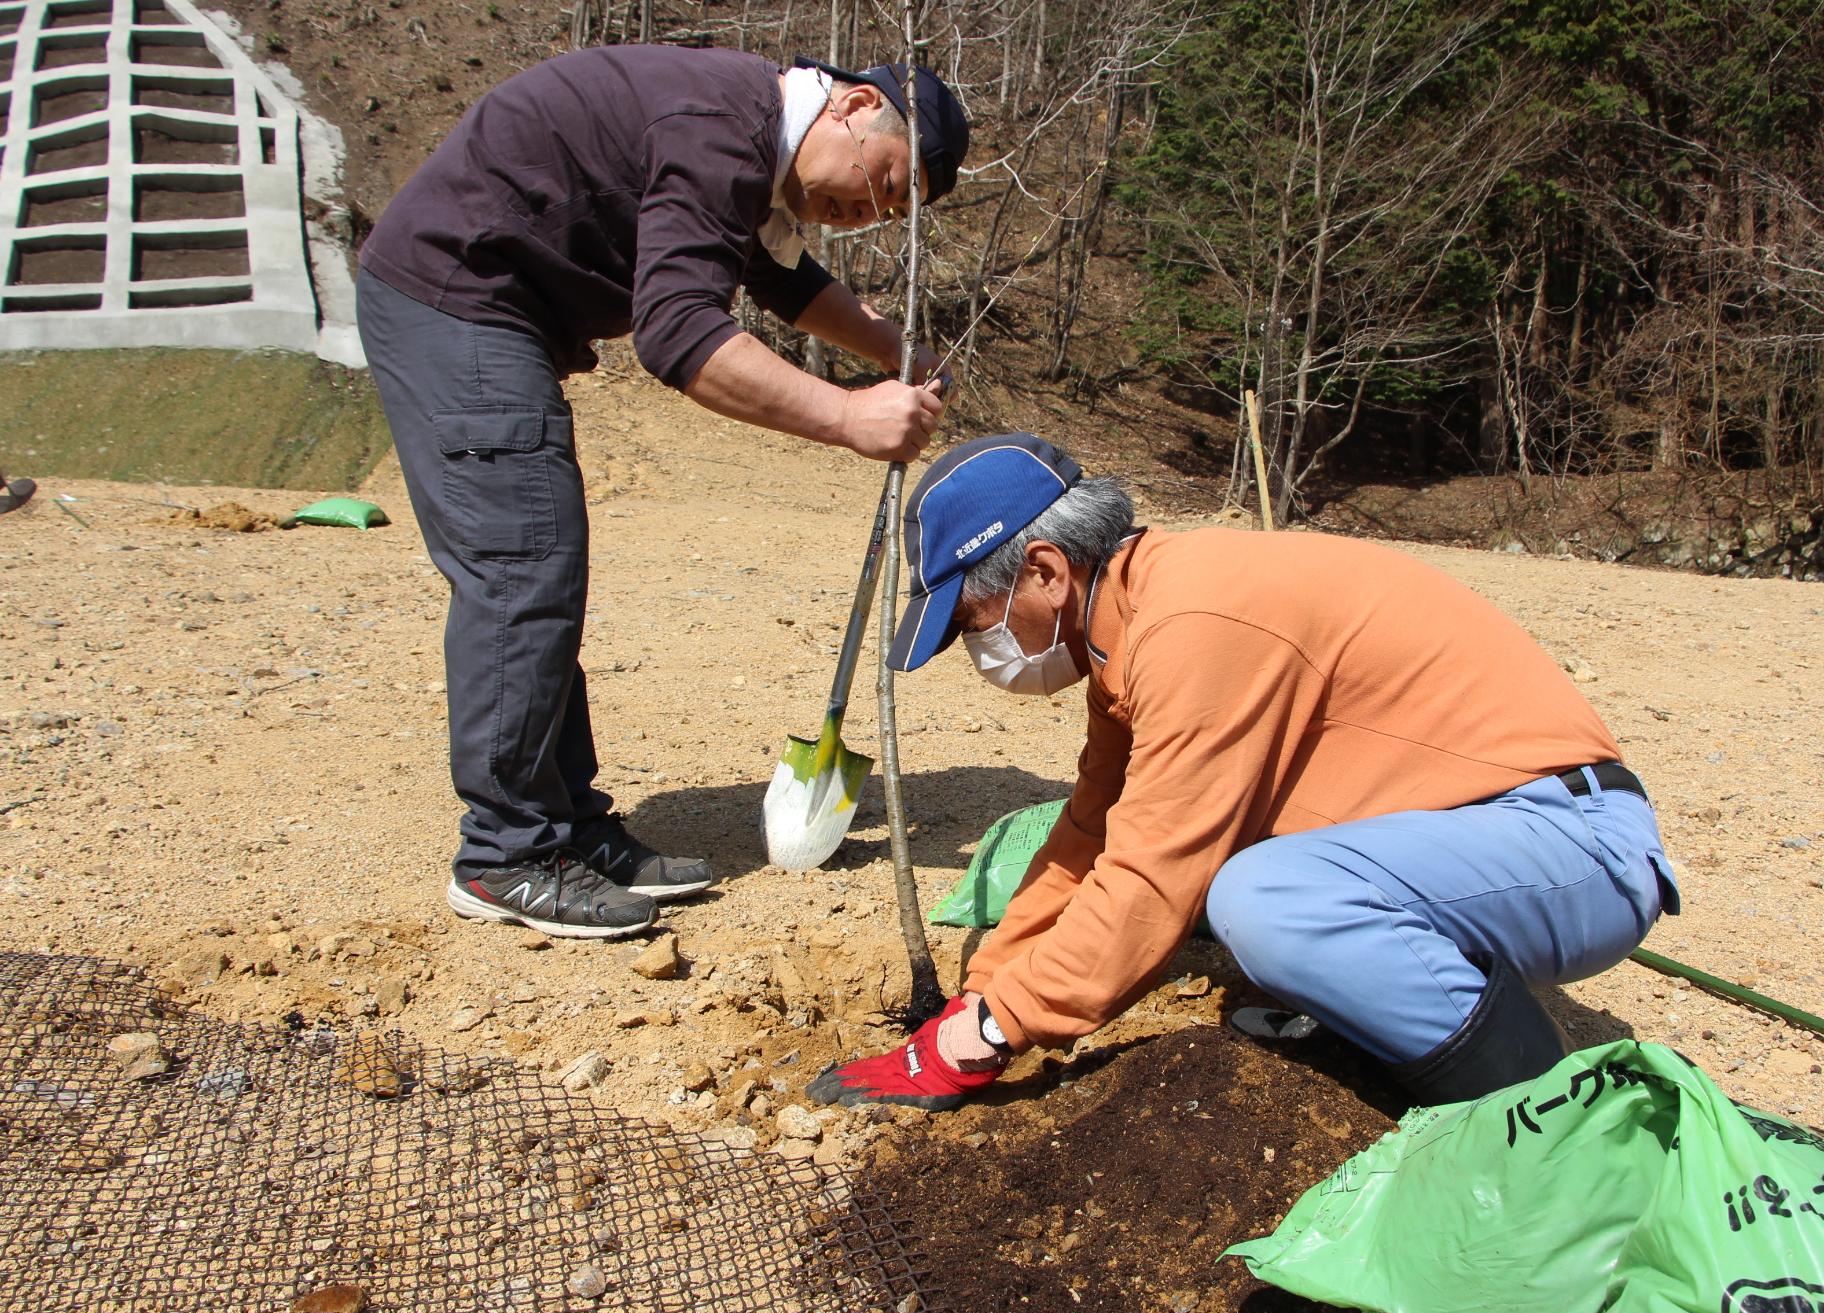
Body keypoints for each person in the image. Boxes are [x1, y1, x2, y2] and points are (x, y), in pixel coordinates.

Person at [809, 433, 1680, 1109]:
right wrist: (987, 980)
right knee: (1245, 886)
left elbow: (1152, 873)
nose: (982, 651)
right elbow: (1092, 830)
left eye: (974, 623)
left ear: (1045, 571)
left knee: (1261, 899)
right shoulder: (1130, 625)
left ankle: (1544, 1109)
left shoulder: (1196, 621)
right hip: (1474, 841)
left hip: (1571, 846)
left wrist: (993, 1031)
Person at [356, 48, 969, 940]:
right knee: (524, 563)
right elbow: (679, 330)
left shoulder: (758, 139)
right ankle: (507, 853)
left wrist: (890, 349)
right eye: (886, 183)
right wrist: (850, 417)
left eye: (891, 212)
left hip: (496, 309)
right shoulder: (724, 126)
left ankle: (567, 828)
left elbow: (775, 273)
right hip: (458, 295)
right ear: (857, 107)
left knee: (542, 566)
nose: (871, 215)